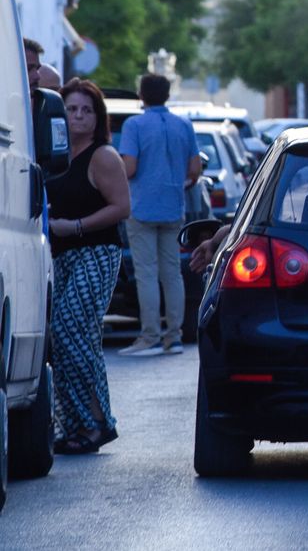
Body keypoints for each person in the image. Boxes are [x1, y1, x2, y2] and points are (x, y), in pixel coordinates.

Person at [46, 79, 130, 453]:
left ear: (98, 118)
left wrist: (76, 226)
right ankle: (80, 425)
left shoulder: (103, 156)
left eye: (86, 110)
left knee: (69, 330)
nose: (78, 116)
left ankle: (97, 421)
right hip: (60, 256)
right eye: (71, 109)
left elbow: (121, 208)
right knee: (70, 340)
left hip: (96, 253)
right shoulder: (52, 155)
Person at [118, 74, 203, 356]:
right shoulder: (184, 124)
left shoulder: (135, 125)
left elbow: (129, 168)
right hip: (172, 206)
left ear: (141, 95)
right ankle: (174, 336)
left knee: (146, 273)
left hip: (141, 206)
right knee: (172, 273)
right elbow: (195, 170)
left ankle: (150, 334)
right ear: (167, 94)